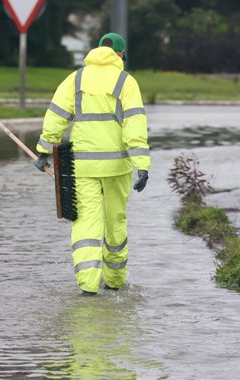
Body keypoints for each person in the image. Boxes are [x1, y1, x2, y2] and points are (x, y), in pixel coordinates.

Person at [34, 32, 150, 295]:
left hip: (82, 168)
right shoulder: (126, 82)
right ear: (121, 55)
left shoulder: (75, 79)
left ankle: (87, 287)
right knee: (115, 222)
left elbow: (56, 116)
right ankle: (115, 282)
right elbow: (135, 125)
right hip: (117, 169)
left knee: (85, 224)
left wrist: (43, 150)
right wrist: (142, 165)